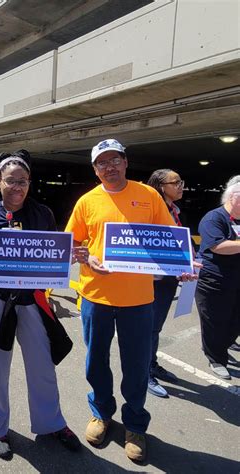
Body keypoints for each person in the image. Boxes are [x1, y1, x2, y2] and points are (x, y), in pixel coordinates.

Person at [65, 139, 197, 462]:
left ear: (125, 162)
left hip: (139, 300)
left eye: (115, 160)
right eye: (102, 163)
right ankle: (101, 413)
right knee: (96, 361)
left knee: (136, 365)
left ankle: (135, 424)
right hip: (96, 296)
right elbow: (71, 244)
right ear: (95, 169)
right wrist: (87, 260)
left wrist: (185, 264)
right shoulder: (87, 202)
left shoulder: (149, 196)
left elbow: (170, 238)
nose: (109, 167)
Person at [0, 150, 86, 460]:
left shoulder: (43, 213)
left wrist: (69, 256)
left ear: (30, 183)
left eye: (23, 181)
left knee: (42, 364)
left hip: (32, 299)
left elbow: (52, 256)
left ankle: (51, 422)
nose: (17, 187)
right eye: (11, 181)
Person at [145, 169, 186, 397]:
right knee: (149, 327)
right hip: (155, 278)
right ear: (162, 187)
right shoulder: (153, 210)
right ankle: (144, 372)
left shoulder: (174, 210)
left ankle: (152, 363)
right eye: (176, 182)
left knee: (156, 326)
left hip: (169, 276)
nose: (181, 186)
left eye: (181, 182)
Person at [195, 175, 240, 380]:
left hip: (236, 280)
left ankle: (223, 347)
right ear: (233, 198)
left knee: (234, 321)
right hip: (214, 281)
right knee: (214, 322)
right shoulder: (214, 218)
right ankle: (216, 359)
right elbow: (218, 246)